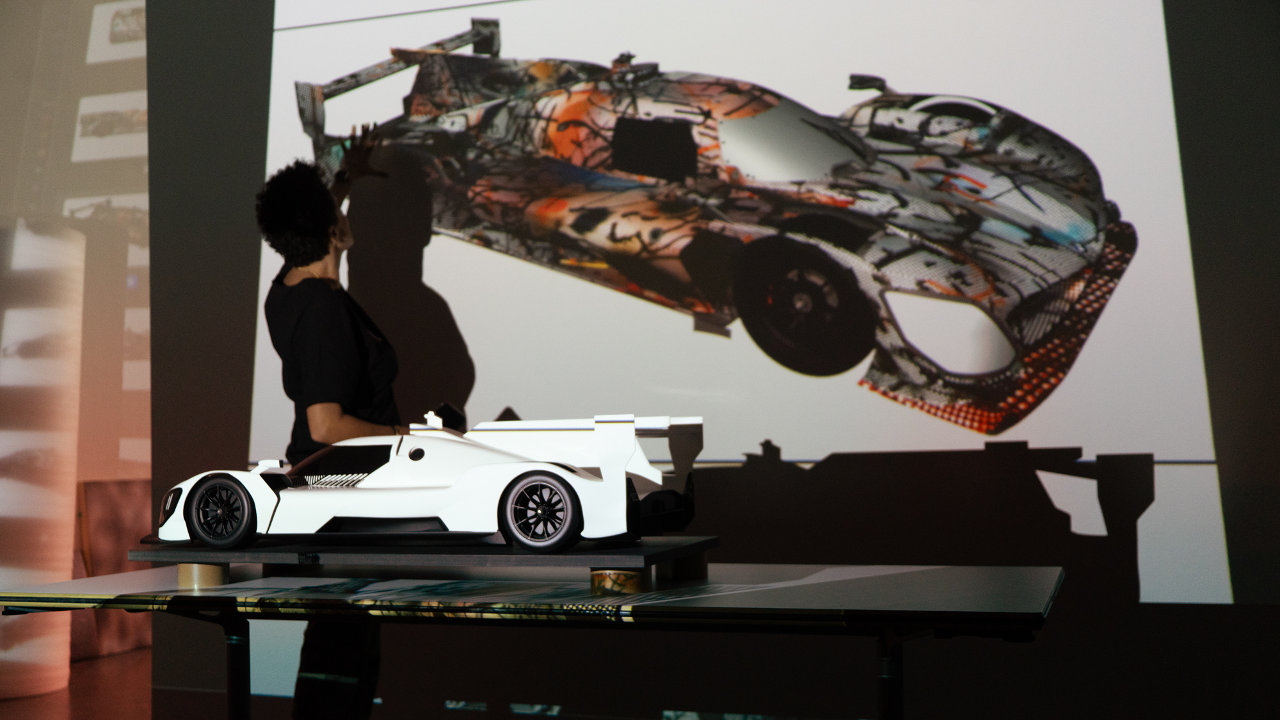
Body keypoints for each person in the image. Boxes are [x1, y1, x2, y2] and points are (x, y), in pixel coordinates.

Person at [254, 128, 392, 719]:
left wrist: (343, 179)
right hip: (342, 495)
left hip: (328, 493)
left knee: (340, 649)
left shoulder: (290, 287)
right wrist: (416, 438)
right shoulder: (322, 309)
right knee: (342, 656)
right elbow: (327, 425)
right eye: (336, 209)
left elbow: (308, 224)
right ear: (331, 231)